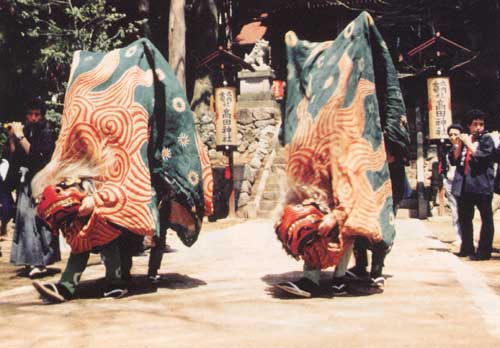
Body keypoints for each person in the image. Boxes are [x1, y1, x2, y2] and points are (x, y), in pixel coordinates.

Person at [8, 98, 60, 277]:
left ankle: (42, 262)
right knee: (25, 222)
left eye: (37, 114)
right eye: (30, 114)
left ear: (42, 116)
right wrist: (13, 139)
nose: (33, 118)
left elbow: (36, 157)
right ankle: (30, 260)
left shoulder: (46, 132)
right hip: (26, 183)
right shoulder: (26, 130)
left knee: (40, 222)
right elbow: (16, 157)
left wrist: (21, 136)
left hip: (41, 182)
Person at [449, 109, 495, 261]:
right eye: (475, 124)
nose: (479, 127)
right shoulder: (465, 139)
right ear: (469, 126)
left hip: (482, 185)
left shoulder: (487, 139)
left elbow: (481, 155)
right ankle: (467, 247)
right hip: (465, 185)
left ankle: (484, 251)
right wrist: (459, 146)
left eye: (481, 124)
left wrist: (468, 144)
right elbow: (455, 161)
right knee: (465, 218)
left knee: (486, 219)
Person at [443, 124, 463, 244]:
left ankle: (466, 237)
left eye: (456, 134)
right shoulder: (446, 148)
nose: (453, 137)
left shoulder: (465, 147)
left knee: (463, 210)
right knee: (454, 210)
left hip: (461, 181)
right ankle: (458, 235)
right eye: (451, 134)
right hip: (449, 181)